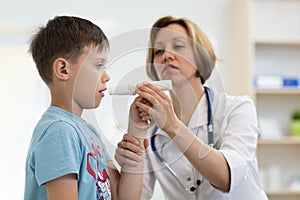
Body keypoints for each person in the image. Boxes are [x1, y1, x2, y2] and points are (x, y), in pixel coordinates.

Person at [114, 16, 268, 199]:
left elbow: (226, 178)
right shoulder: (152, 131)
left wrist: (172, 126)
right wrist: (135, 142)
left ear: (200, 55)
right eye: (158, 51)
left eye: (178, 46)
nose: (166, 55)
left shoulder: (236, 109)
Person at [24, 16, 149, 200]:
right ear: (63, 70)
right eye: (98, 65)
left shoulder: (88, 132)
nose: (106, 76)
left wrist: (137, 130)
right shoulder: (59, 131)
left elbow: (123, 197)